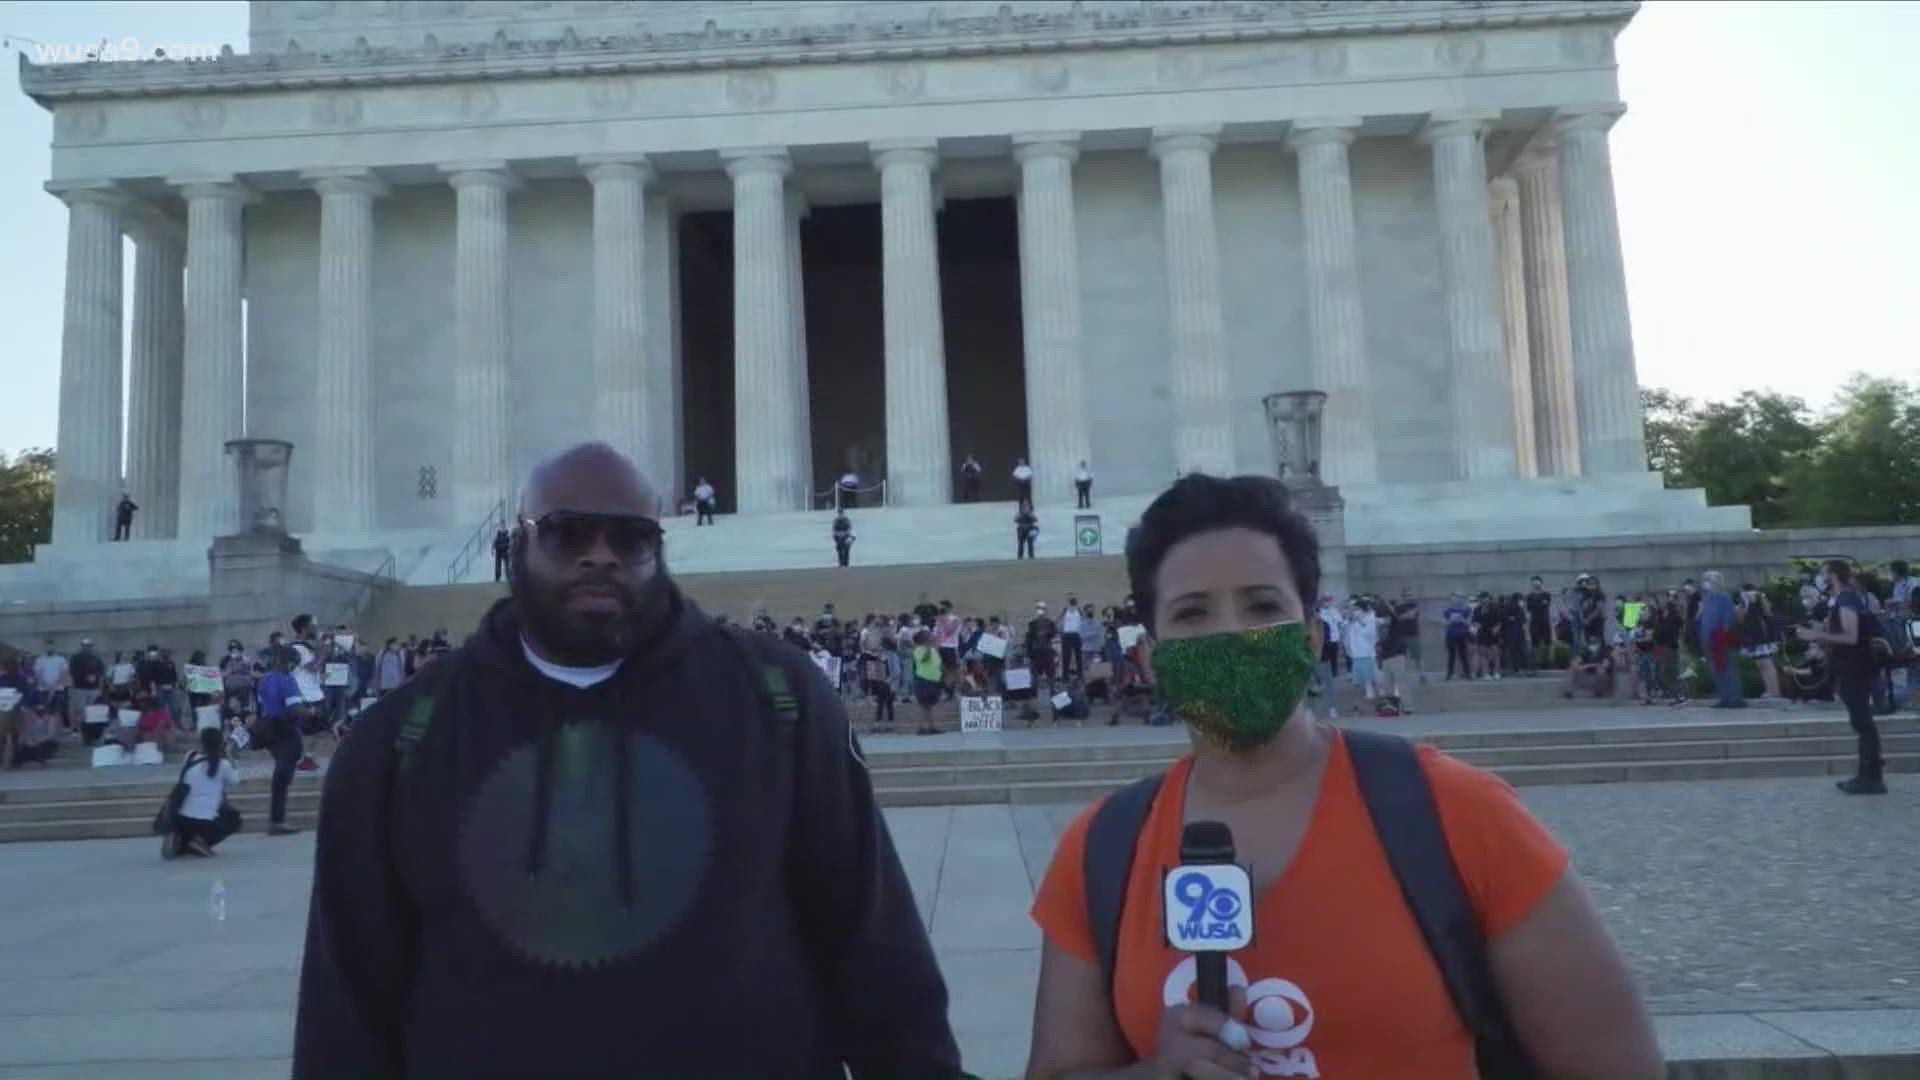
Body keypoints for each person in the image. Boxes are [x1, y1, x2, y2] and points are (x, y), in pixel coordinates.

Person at [294, 442, 958, 1078]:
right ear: (517, 543)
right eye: (567, 533)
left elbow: (871, 940)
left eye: (629, 538)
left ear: (659, 549)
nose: (600, 557)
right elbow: (347, 998)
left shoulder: (776, 700)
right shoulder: (405, 737)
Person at [1024, 473, 1661, 1080]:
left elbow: (1616, 1066)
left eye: (1261, 605)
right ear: (1150, 655)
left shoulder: (1458, 813)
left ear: (1310, 634)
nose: (1233, 634)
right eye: (1192, 614)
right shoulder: (1102, 850)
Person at [1797, 560, 1886, 794]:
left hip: (1855, 667)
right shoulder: (1847, 599)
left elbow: (1850, 636)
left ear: (1833, 576)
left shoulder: (1847, 599)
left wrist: (1815, 634)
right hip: (1852, 666)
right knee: (1860, 720)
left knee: (1862, 720)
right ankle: (1869, 773)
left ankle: (1871, 776)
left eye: (1824, 574)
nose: (1821, 579)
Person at [164, 726, 242, 859]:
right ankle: (200, 842)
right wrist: (230, 756)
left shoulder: (190, 756)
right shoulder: (223, 764)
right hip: (205, 822)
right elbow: (236, 780)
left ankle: (177, 839)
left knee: (188, 829)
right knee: (234, 819)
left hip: (180, 816)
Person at [256, 649, 306, 835]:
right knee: (283, 775)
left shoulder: (265, 679)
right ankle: (277, 821)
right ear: (289, 662)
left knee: (281, 774)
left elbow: (262, 704)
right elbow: (295, 708)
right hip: (286, 729)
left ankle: (277, 819)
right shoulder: (287, 680)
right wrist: (312, 713)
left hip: (269, 729)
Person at [1698, 571, 1744, 709]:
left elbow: (1728, 618)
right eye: (1705, 580)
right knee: (1716, 670)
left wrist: (1723, 633)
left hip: (1720, 638)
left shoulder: (1724, 597)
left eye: (1709, 580)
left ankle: (1735, 697)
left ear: (1718, 582)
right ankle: (1724, 697)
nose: (1706, 583)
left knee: (1727, 668)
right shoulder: (1707, 599)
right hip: (1708, 638)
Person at [1737, 584, 1782, 699]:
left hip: (1761, 635)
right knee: (1762, 664)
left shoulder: (1756, 597)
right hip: (1755, 635)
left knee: (1766, 664)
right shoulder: (1749, 600)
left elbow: (1767, 613)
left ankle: (1774, 691)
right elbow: (1742, 618)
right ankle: (1770, 690)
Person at [910, 629, 944, 735]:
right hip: (923, 680)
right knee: (923, 705)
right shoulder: (918, 649)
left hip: (934, 680)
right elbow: (924, 659)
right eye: (928, 636)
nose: (930, 637)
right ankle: (920, 727)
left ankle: (931, 726)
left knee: (929, 706)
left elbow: (938, 663)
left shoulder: (934, 650)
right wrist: (929, 647)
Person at [1441, 592, 1470, 680]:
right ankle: (1449, 674)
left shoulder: (1466, 610)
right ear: (1451, 600)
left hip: (1462, 634)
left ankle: (1467, 673)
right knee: (1451, 655)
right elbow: (1443, 623)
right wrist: (1451, 621)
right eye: (1454, 598)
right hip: (1451, 635)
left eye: (1458, 598)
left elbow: (1469, 623)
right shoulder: (1447, 611)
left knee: (1463, 655)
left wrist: (1462, 620)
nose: (1456, 600)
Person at [1059, 596, 1085, 682]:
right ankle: (1076, 675)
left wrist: (1061, 630)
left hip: (1071, 635)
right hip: (1073, 635)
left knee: (1071, 656)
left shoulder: (1069, 610)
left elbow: (1059, 620)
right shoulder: (1069, 610)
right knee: (1074, 656)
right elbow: (1083, 620)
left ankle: (1068, 676)